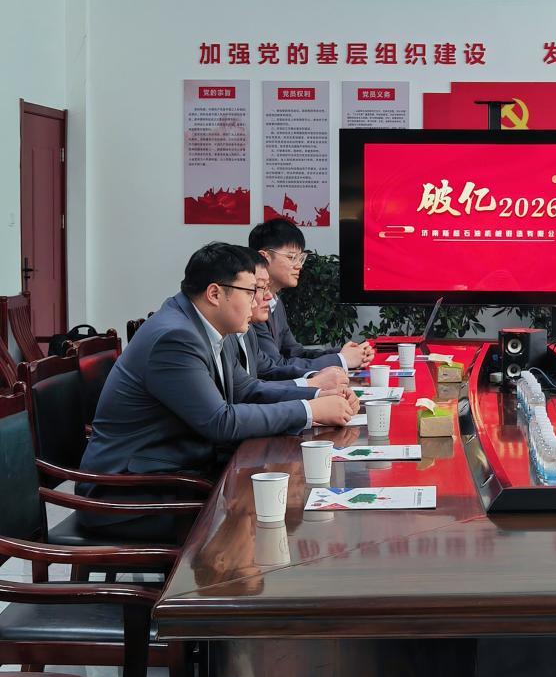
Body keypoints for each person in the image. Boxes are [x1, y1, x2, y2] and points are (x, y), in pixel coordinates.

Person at [78, 243, 359, 541]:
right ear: (214, 293)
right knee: (258, 509)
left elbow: (246, 390)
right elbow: (219, 421)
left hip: (172, 473)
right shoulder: (175, 337)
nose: (258, 301)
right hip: (128, 494)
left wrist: (317, 398)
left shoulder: (206, 326)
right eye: (250, 291)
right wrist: (310, 412)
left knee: (269, 492)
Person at [248, 219, 374, 373]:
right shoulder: (253, 305)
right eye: (292, 257)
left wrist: (345, 354)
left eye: (301, 259)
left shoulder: (275, 301)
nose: (299, 266)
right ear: (264, 257)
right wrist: (341, 359)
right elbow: (275, 366)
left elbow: (294, 353)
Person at [231, 253, 349, 390]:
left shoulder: (249, 329)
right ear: (215, 294)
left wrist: (314, 376)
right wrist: (314, 383)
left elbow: (270, 369)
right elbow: (248, 391)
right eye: (291, 257)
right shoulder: (228, 335)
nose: (268, 297)